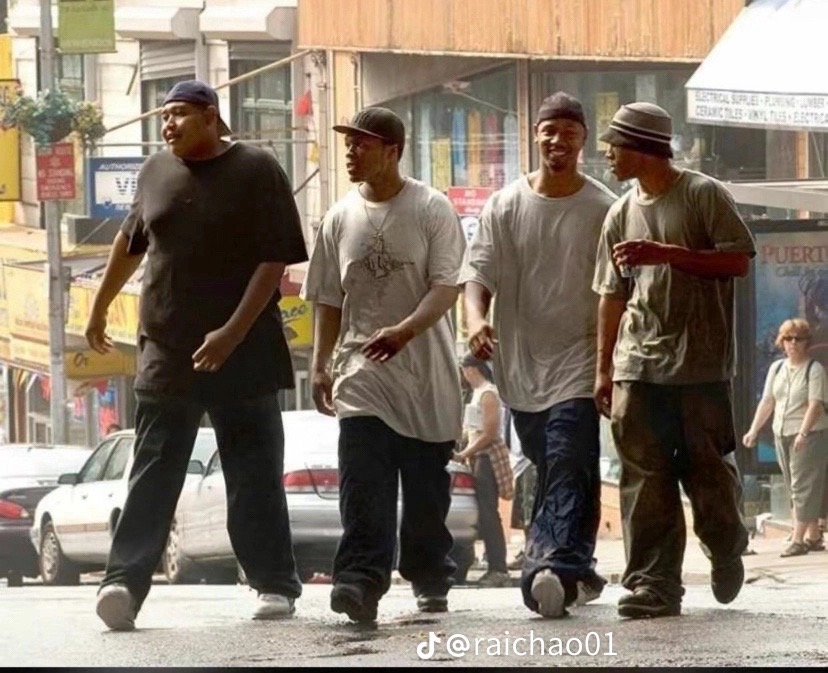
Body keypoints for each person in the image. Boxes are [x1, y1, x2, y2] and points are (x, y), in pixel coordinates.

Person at [85, 80, 307, 630]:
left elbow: (274, 260)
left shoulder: (257, 168)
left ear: (211, 117)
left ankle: (273, 583)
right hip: (167, 349)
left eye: (180, 114)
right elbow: (131, 242)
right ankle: (123, 584)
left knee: (252, 470)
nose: (168, 125)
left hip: (244, 350)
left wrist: (232, 332)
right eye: (164, 115)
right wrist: (99, 305)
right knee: (152, 469)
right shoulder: (155, 171)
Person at [301, 107, 465, 624]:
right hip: (361, 374)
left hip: (424, 376)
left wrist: (405, 331)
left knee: (424, 494)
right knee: (363, 483)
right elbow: (328, 298)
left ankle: (429, 576)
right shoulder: (338, 217)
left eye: (362, 144)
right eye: (348, 143)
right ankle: (358, 581)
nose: (351, 152)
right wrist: (321, 363)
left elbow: (447, 287)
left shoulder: (432, 209)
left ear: (392, 151)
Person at [593, 101, 754, 619]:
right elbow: (611, 295)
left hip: (701, 366)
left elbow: (737, 260)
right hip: (637, 364)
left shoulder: (703, 194)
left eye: (614, 145)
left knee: (707, 471)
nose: (607, 155)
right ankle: (653, 584)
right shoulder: (619, 212)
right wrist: (604, 370)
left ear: (642, 147)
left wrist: (666, 254)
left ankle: (725, 546)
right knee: (644, 476)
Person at [461, 92, 616, 618]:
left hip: (580, 361)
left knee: (569, 457)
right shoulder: (505, 205)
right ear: (536, 135)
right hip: (521, 367)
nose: (558, 141)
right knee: (557, 467)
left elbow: (617, 292)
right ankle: (578, 570)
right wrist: (476, 320)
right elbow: (477, 275)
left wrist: (608, 364)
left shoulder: (603, 209)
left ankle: (544, 569)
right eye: (549, 131)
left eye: (569, 132)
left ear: (583, 140)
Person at [743, 318, 828, 556]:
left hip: (809, 434)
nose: (793, 343)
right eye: (788, 339)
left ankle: (798, 539)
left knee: (803, 487)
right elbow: (768, 401)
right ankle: (812, 535)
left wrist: (803, 432)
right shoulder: (777, 368)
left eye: (798, 339)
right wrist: (754, 430)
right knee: (793, 485)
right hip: (781, 432)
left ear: (806, 342)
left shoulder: (814, 369)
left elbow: (815, 405)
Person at [456, 353, 514, 588]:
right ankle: (490, 561)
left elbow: (490, 433)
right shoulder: (476, 393)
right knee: (482, 512)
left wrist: (465, 453)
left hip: (486, 458)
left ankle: (498, 567)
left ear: (471, 369)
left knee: (489, 513)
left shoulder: (488, 393)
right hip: (476, 457)